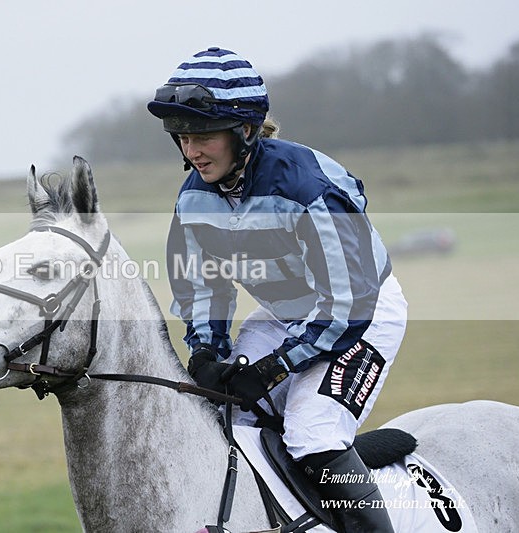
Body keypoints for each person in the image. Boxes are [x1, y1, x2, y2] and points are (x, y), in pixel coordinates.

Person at [148, 47, 407, 532]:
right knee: (224, 421)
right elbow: (203, 287)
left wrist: (274, 368)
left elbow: (346, 304)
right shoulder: (195, 198)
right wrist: (207, 353)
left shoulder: (307, 187)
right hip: (284, 317)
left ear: (245, 131)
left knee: (312, 434)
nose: (191, 152)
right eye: (182, 137)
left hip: (362, 315)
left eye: (202, 136)